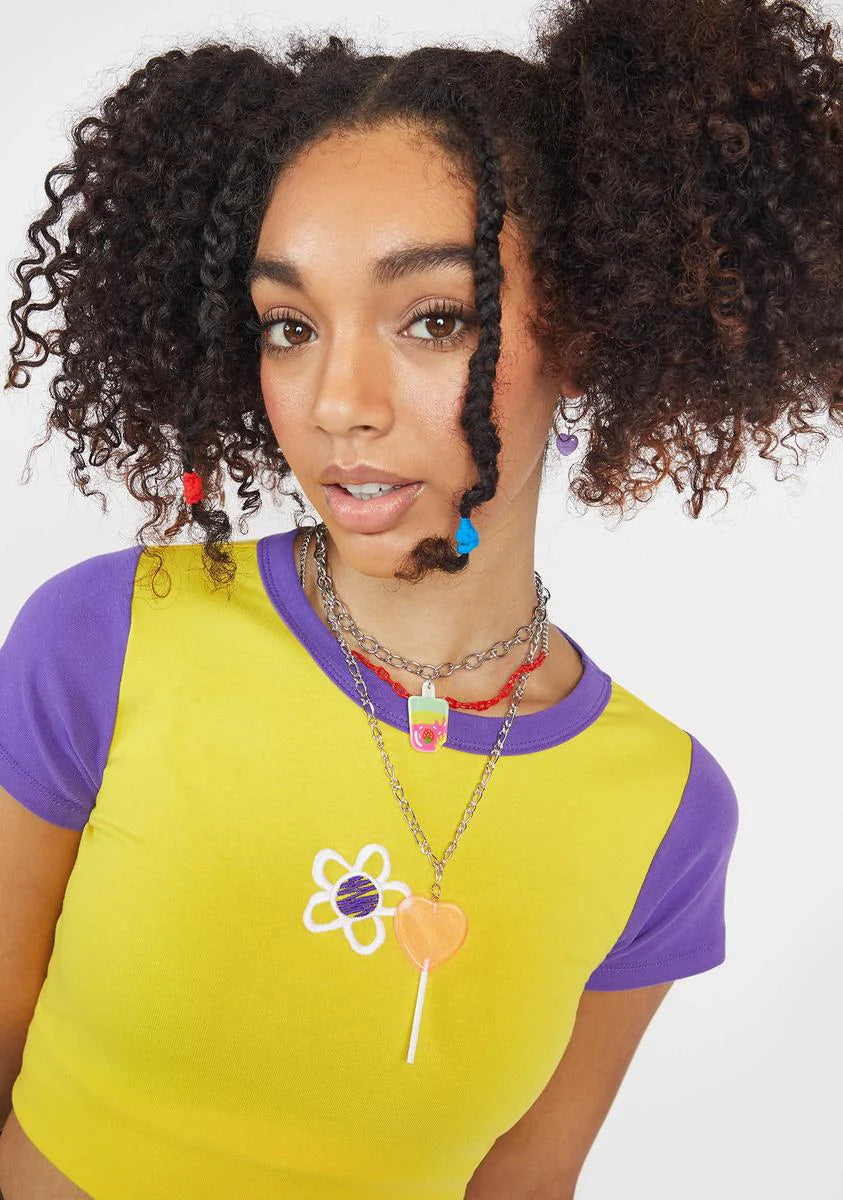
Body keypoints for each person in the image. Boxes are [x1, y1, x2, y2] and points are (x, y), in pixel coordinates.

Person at [0, 0, 840, 1197]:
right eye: (290, 326)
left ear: (586, 327)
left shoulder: (667, 813)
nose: (339, 402)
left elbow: (526, 1184)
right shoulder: (103, 641)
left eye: (435, 319)